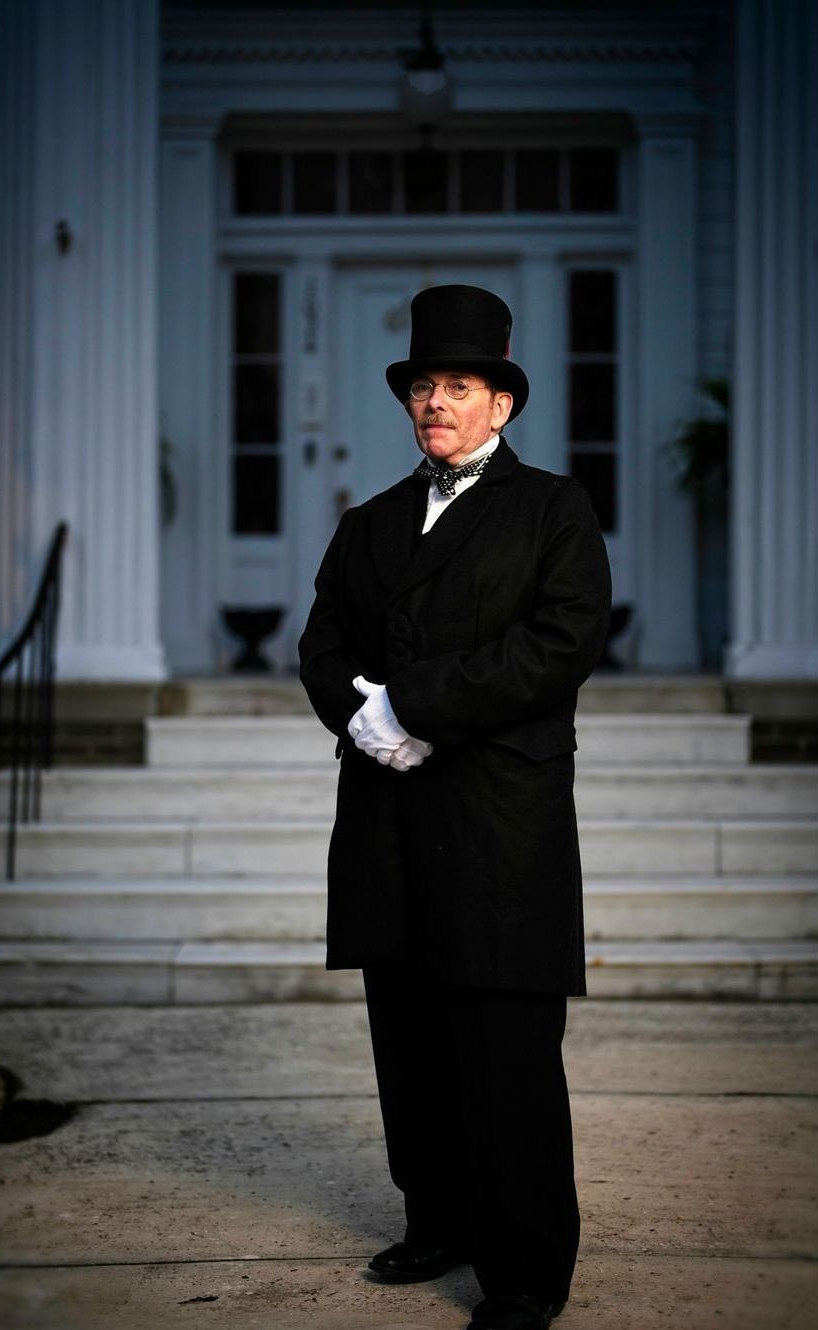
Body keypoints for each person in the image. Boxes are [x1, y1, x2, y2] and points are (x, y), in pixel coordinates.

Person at [298, 284, 611, 1330]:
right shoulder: (368, 520)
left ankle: (522, 1275)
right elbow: (322, 645)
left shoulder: (551, 509)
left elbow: (559, 643)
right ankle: (435, 1220)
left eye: (458, 385)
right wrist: (362, 717)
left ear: (500, 405)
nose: (436, 401)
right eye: (423, 385)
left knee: (506, 1053)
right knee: (412, 1037)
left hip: (498, 821)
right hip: (389, 820)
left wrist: (413, 704)